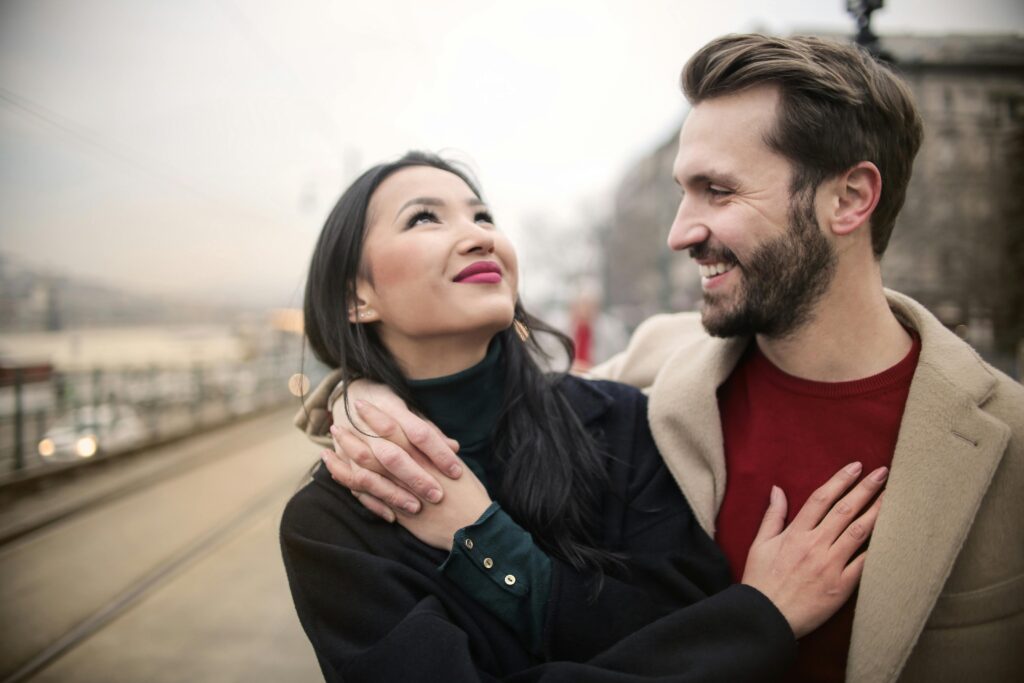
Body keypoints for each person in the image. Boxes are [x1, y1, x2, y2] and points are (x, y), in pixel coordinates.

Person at [312, 35, 1024, 683]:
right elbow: (475, 405)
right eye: (683, 191)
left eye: (717, 190)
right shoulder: (657, 370)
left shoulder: (1010, 441)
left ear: (850, 198)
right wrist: (359, 391)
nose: (681, 231)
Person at [282, 150, 887, 682]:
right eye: (424, 217)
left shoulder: (620, 422)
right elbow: (701, 649)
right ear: (355, 298)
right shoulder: (330, 526)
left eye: (482, 215)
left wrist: (489, 542)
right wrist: (753, 623)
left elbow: (682, 619)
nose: (478, 236)